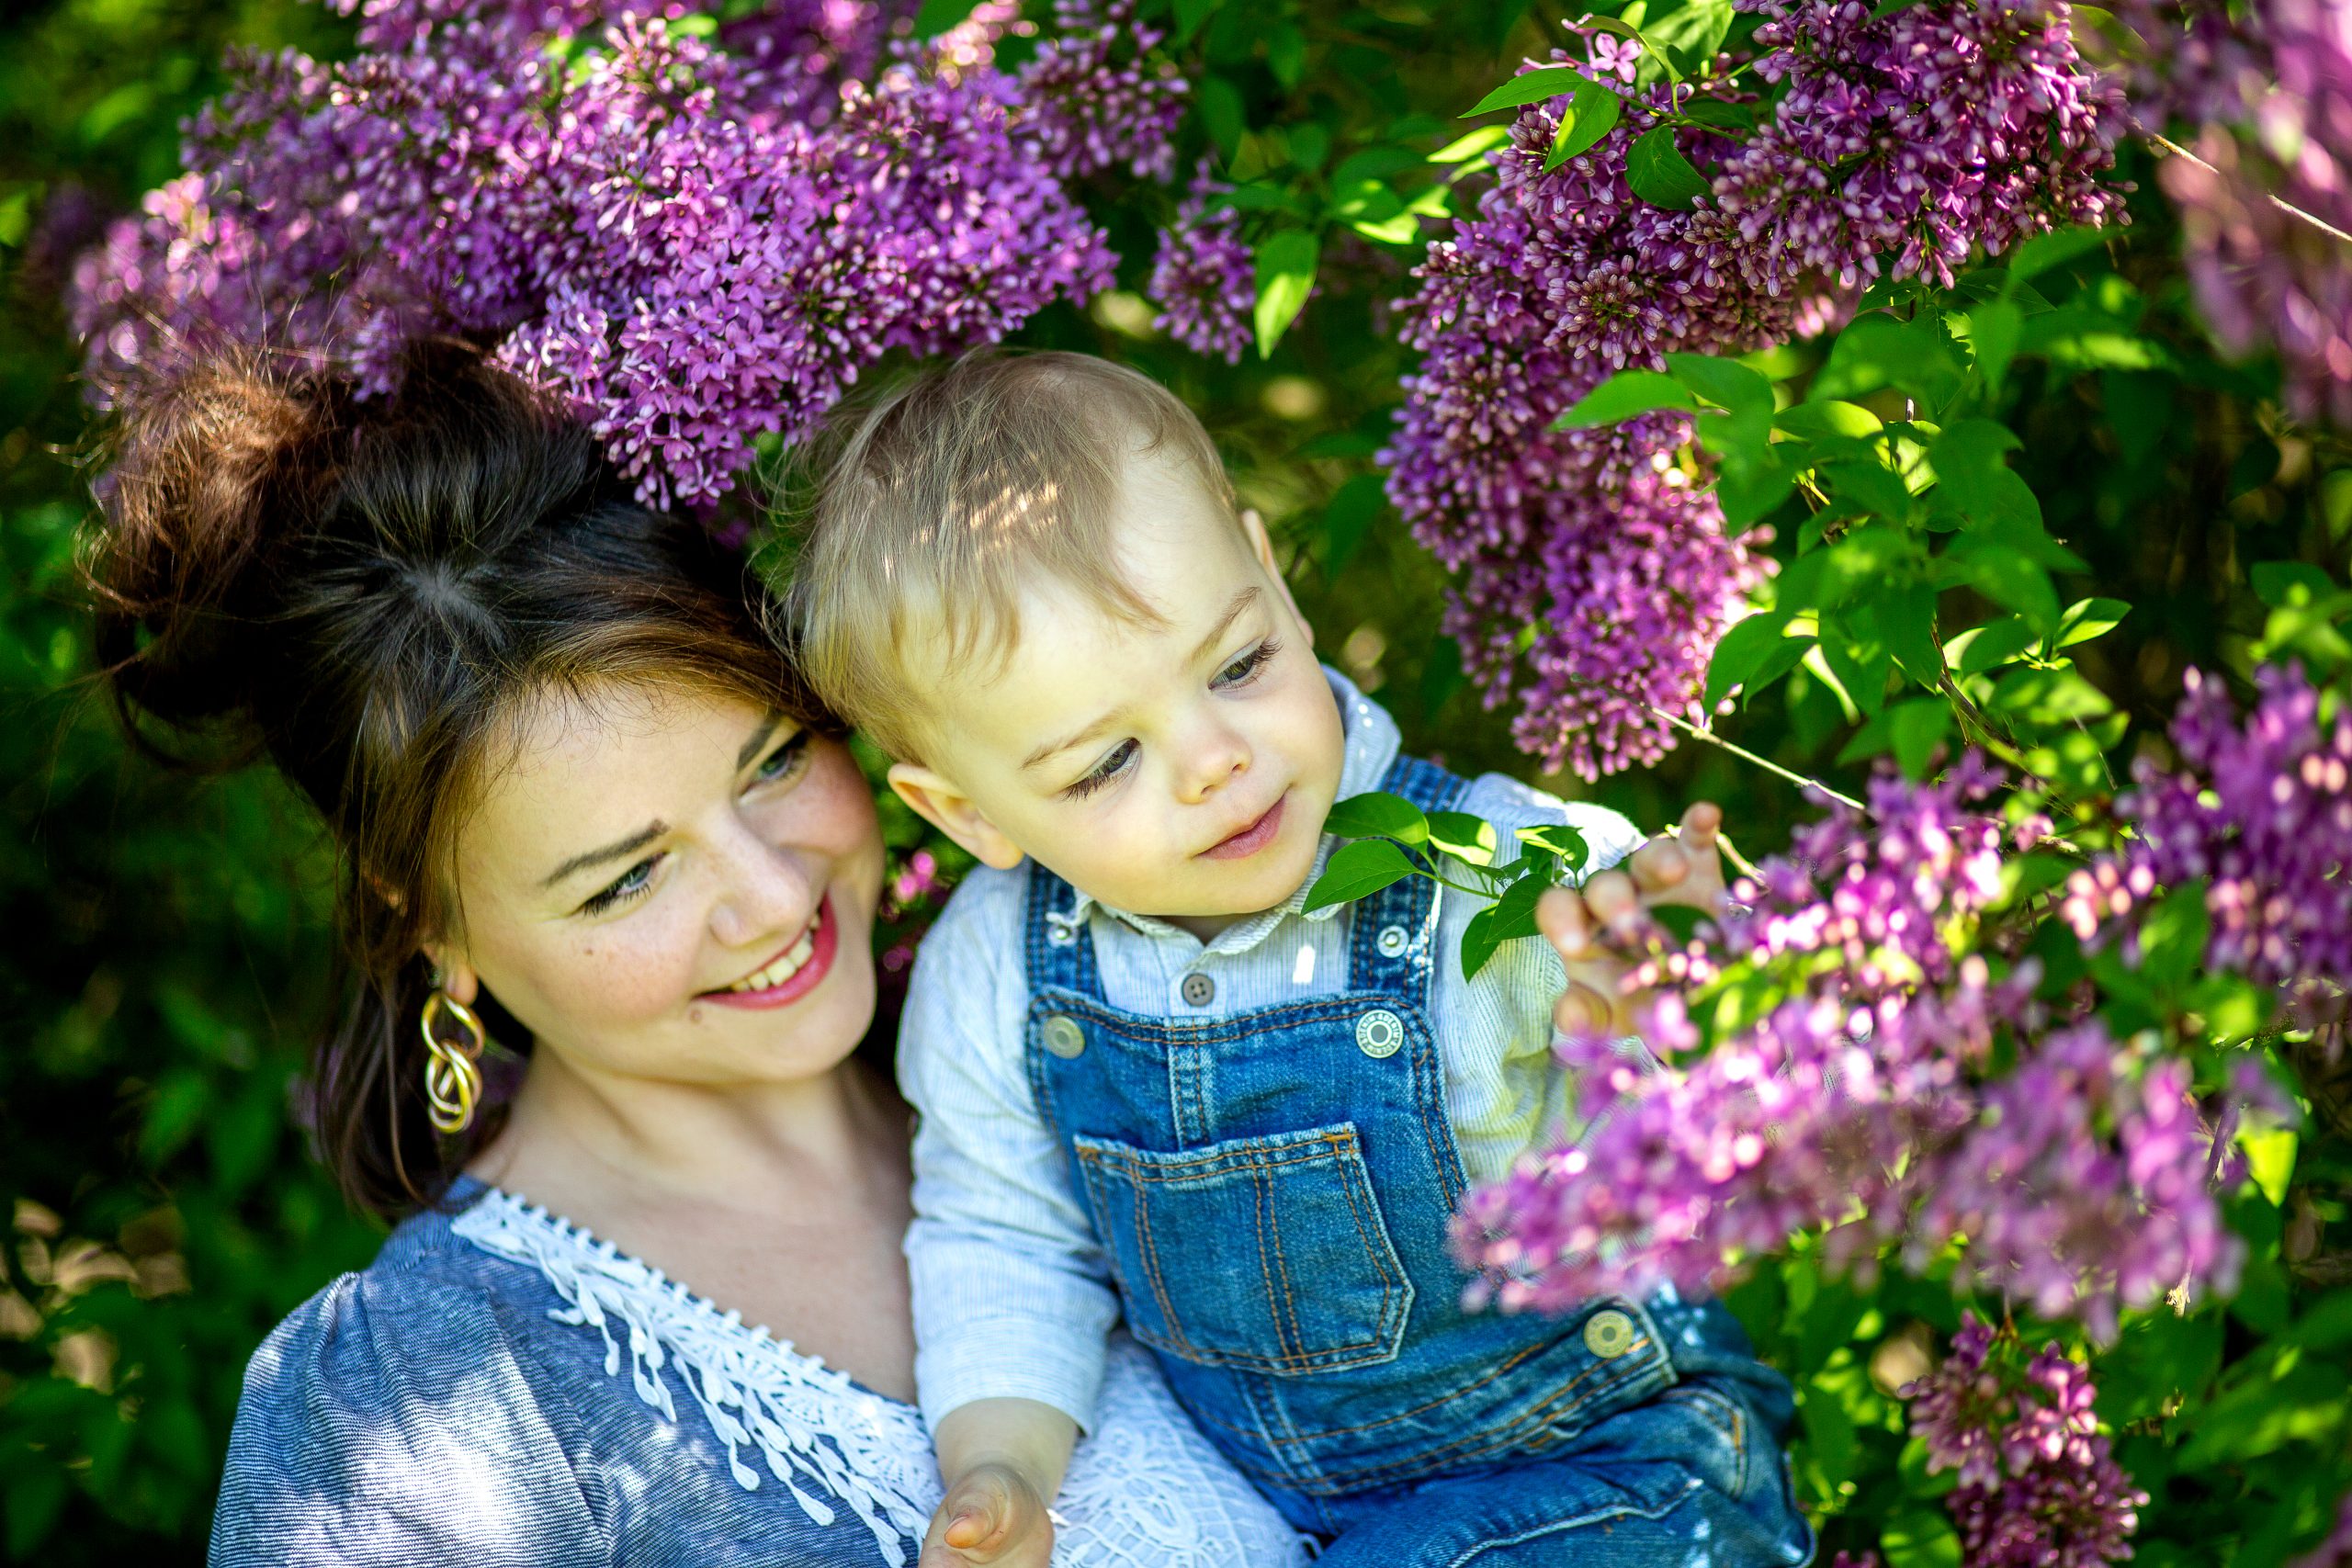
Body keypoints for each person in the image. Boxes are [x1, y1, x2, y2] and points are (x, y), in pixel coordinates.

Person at [85, 347, 1310, 1568]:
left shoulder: (1107, 1035)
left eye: (775, 761)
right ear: (430, 929)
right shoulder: (412, 1410)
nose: (773, 895)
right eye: (627, 879)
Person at [790, 350, 1816, 1568]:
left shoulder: (1502, 877)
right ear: (967, 813)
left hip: (1614, 1473)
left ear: (1274, 581)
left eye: (1238, 665)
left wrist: (1682, 981)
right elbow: (1005, 1242)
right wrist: (1001, 1465)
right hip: (1323, 1522)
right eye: (1103, 763)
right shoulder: (1003, 974)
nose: (1214, 757)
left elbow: (1716, 1116)